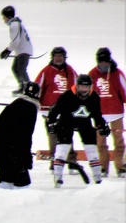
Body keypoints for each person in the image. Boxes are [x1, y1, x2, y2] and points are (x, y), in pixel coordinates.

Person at [47, 74, 108, 187]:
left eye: (87, 87)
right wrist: (51, 123)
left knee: (92, 150)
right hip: (66, 122)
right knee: (62, 149)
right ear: (77, 86)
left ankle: (97, 177)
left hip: (85, 123)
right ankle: (58, 176)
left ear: (91, 87)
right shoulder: (67, 95)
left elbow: (97, 114)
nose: (84, 90)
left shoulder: (94, 96)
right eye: (81, 87)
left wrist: (102, 125)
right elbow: (54, 111)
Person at [0, 81, 40, 189]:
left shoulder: (15, 103)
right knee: (23, 188)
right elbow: (26, 135)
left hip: (0, 149)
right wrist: (26, 156)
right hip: (15, 153)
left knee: (5, 184)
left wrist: (3, 138)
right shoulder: (31, 109)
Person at [33, 46, 77, 161]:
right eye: (56, 56)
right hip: (48, 110)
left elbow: (77, 87)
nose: (58, 58)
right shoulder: (46, 71)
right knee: (52, 136)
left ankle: (71, 161)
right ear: (52, 57)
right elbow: (37, 87)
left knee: (67, 135)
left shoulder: (70, 71)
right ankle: (54, 161)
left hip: (66, 110)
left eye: (61, 56)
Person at [88, 47, 126, 178]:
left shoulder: (118, 73)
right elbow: (87, 93)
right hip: (100, 115)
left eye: (105, 61)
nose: (103, 64)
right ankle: (103, 168)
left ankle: (120, 166)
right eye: (101, 62)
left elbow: (124, 92)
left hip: (116, 114)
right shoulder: (92, 74)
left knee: (119, 141)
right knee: (100, 143)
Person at [0, 5, 33, 94]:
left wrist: (7, 50)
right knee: (15, 68)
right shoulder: (15, 24)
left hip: (24, 50)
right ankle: (22, 86)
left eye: (4, 17)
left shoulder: (14, 24)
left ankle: (28, 88)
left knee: (21, 69)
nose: (3, 19)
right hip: (21, 51)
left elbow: (16, 40)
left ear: (8, 16)